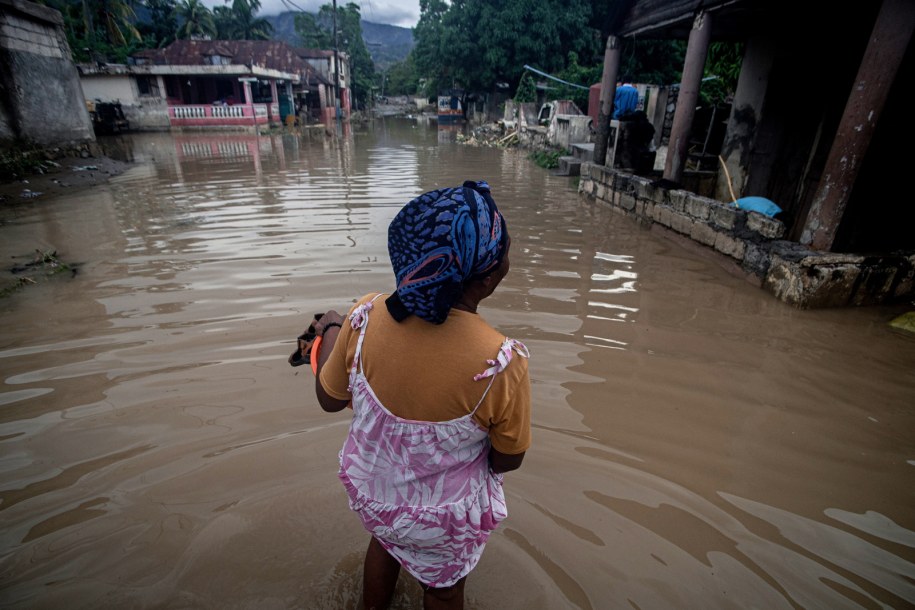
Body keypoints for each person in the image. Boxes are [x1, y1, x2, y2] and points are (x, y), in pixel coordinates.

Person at [304, 180, 531, 609]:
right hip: (441, 519)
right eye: (505, 248)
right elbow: (508, 460)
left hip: (377, 496)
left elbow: (329, 398)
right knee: (444, 587)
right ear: (488, 277)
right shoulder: (501, 362)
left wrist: (332, 328)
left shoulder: (365, 317)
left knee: (385, 544)